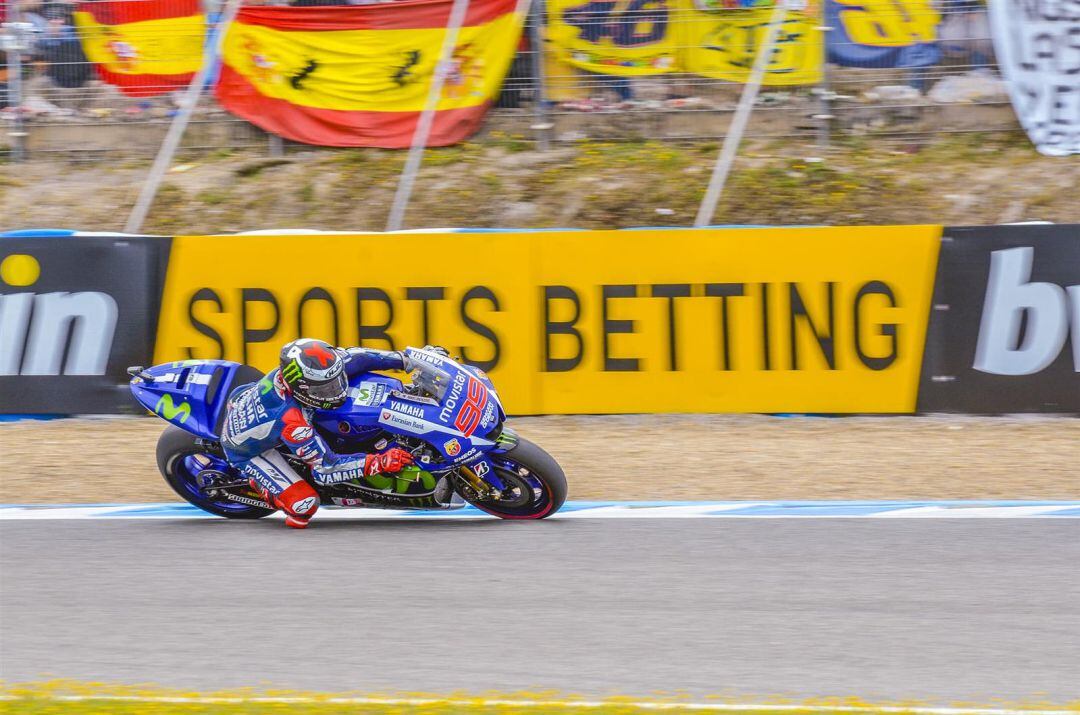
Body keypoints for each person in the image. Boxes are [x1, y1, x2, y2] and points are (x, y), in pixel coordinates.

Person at [221, 338, 424, 529]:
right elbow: (326, 470)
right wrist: (380, 462)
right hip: (247, 450)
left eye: (336, 381)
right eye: (325, 390)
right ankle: (259, 485)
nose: (336, 391)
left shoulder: (318, 370)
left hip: (247, 398)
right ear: (301, 388)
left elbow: (361, 356)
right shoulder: (293, 422)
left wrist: (409, 359)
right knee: (304, 505)